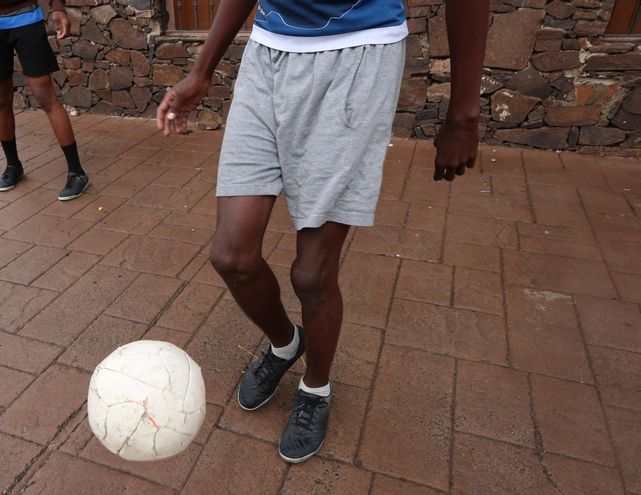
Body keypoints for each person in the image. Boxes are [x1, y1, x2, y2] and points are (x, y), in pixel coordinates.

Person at [157, 0, 487, 463]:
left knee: (312, 274)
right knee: (232, 255)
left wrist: (464, 114)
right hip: (268, 55)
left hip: (358, 59)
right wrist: (201, 71)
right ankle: (286, 342)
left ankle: (316, 388)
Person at [0, 0, 89, 200]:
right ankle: (13, 166)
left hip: (26, 19)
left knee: (46, 98)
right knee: (1, 100)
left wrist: (58, 7)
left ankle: (77, 172)